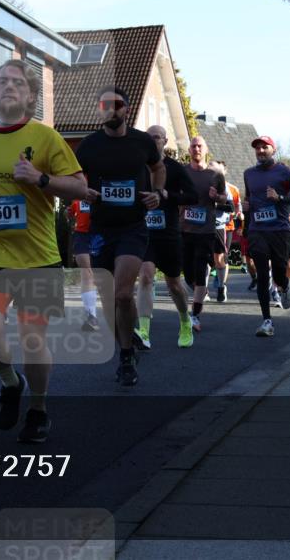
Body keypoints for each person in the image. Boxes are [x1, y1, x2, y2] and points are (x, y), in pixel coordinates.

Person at [0, 59, 85, 443]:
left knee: (33, 341)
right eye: (3, 82)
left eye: (18, 83)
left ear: (30, 97)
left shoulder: (47, 138)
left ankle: (38, 409)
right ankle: (10, 382)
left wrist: (41, 179)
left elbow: (80, 188)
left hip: (38, 259)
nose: (10, 87)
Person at [76, 87, 165, 386]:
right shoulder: (89, 146)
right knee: (109, 299)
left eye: (116, 105)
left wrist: (156, 193)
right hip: (101, 229)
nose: (110, 110)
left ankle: (125, 357)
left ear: (127, 109)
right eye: (105, 105)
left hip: (132, 228)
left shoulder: (141, 142)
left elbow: (158, 167)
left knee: (123, 293)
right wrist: (81, 189)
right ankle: (126, 347)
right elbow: (75, 176)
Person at [134, 126, 199, 349]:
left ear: (165, 141)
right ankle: (143, 330)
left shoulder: (175, 168)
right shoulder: (138, 167)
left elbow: (193, 196)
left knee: (174, 284)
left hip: (169, 233)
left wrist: (168, 195)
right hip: (145, 232)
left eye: (157, 138)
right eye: (149, 138)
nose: (153, 142)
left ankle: (184, 320)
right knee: (145, 276)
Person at [242, 135, 290, 337]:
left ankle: (285, 286)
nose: (260, 151)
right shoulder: (249, 174)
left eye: (265, 147)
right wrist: (246, 206)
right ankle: (267, 321)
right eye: (258, 148)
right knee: (262, 274)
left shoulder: (284, 172)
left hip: (279, 229)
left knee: (279, 271)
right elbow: (248, 198)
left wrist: (280, 198)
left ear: (273, 150)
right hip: (257, 229)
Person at [179, 137, 227, 335]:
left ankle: (195, 315)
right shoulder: (182, 172)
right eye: (193, 146)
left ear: (206, 149)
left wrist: (217, 197)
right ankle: (201, 292)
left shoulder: (215, 174)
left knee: (200, 274)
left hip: (205, 231)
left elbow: (225, 199)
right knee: (187, 273)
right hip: (184, 230)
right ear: (189, 150)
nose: (196, 148)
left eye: (200, 146)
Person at [209, 160, 242, 303]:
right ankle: (203, 288)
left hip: (224, 225)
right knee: (204, 258)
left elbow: (233, 208)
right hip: (202, 226)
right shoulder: (201, 182)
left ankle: (222, 286)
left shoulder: (230, 189)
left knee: (221, 258)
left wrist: (216, 203)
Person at [67, 198, 100, 331]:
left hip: (100, 233)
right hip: (81, 235)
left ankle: (120, 311)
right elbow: (71, 213)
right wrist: (68, 213)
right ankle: (92, 316)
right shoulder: (77, 192)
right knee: (86, 272)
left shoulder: (102, 183)